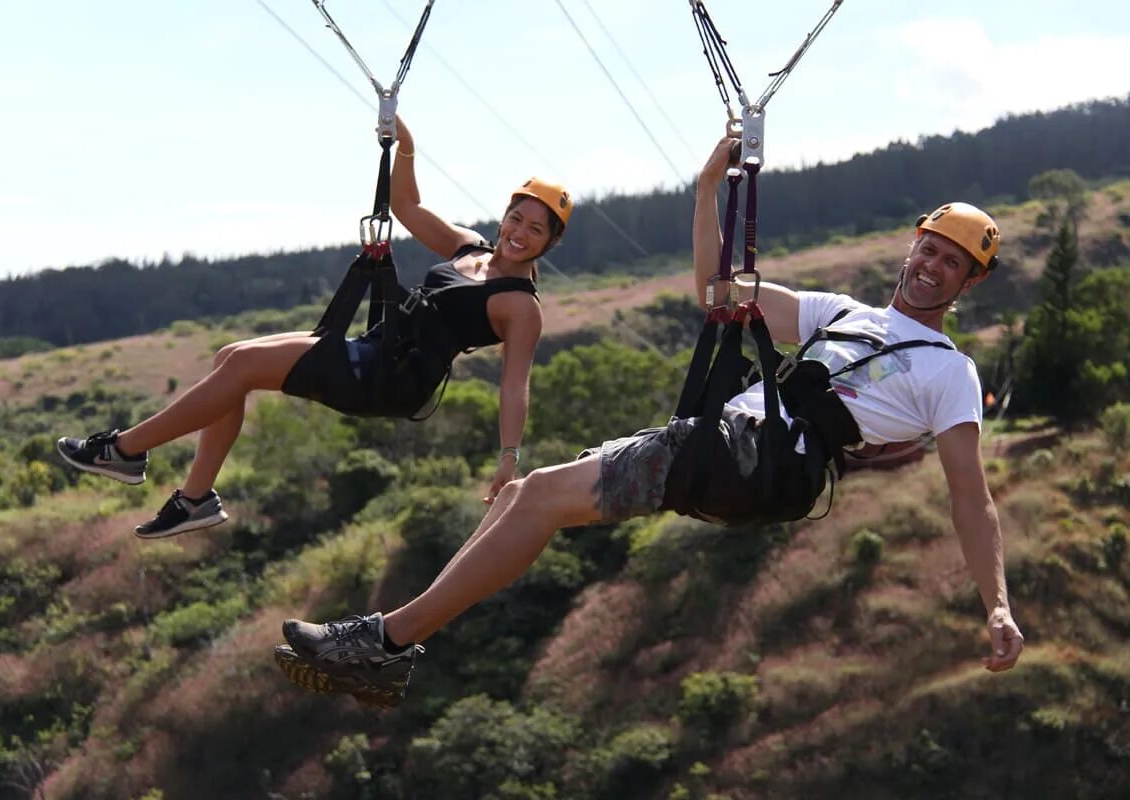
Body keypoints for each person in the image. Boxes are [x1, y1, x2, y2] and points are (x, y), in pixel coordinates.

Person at [274, 129, 1025, 709]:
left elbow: (971, 497)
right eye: (929, 249)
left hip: (751, 458)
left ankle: (386, 641)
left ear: (972, 282)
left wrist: (994, 604)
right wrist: (706, 189)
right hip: (729, 448)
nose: (932, 266)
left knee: (535, 497)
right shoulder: (843, 314)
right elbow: (716, 289)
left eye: (952, 263)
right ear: (911, 246)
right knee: (529, 495)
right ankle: (391, 643)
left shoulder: (948, 373)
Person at [56, 116, 571, 538]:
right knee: (230, 358)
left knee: (244, 366)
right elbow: (406, 206)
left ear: (548, 243)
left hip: (391, 380)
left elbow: (514, 384)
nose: (519, 234)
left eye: (535, 229)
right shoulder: (470, 248)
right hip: (373, 352)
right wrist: (404, 143)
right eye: (516, 219)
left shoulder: (521, 306)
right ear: (503, 216)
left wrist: (508, 456)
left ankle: (124, 450)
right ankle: (194, 499)